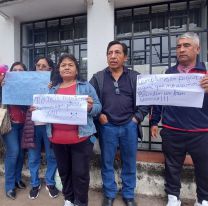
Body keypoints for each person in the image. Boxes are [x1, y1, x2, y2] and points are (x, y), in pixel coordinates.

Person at [150, 32, 208, 206]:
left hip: (201, 132)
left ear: (197, 49)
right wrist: (154, 122)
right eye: (178, 46)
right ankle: (173, 197)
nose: (181, 49)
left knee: (204, 169)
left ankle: (203, 199)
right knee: (172, 167)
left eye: (186, 45)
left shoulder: (205, 73)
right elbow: (159, 100)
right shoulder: (169, 73)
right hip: (172, 130)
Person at [90, 41, 149, 206]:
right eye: (110, 53)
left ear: (125, 57)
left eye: (117, 52)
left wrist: (136, 118)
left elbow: (146, 101)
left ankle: (129, 195)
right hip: (107, 127)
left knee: (129, 162)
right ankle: (109, 194)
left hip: (129, 126)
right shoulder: (98, 78)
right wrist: (99, 114)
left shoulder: (135, 77)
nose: (113, 56)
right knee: (107, 162)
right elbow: (89, 99)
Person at [47, 53, 101, 206]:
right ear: (59, 70)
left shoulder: (85, 86)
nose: (66, 67)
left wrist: (90, 108)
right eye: (63, 65)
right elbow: (45, 109)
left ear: (77, 70)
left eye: (70, 65)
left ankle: (81, 202)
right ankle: (69, 199)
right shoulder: (52, 89)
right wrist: (37, 110)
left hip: (81, 139)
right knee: (64, 172)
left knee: (80, 174)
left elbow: (98, 106)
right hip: (57, 139)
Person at [22, 57, 59, 199]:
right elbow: (21, 101)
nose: (40, 68)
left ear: (50, 69)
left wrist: (51, 91)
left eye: (44, 66)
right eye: (38, 65)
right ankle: (35, 184)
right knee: (33, 157)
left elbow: (60, 104)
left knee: (52, 156)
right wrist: (28, 107)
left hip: (49, 126)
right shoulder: (28, 83)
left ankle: (50, 183)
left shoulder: (56, 84)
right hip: (33, 126)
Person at [1, 62, 27, 200]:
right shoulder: (4, 85)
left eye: (21, 70)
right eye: (15, 70)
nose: (17, 72)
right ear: (10, 72)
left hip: (24, 125)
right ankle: (9, 186)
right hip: (8, 125)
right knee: (14, 152)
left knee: (21, 153)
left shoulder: (28, 87)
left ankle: (17, 179)